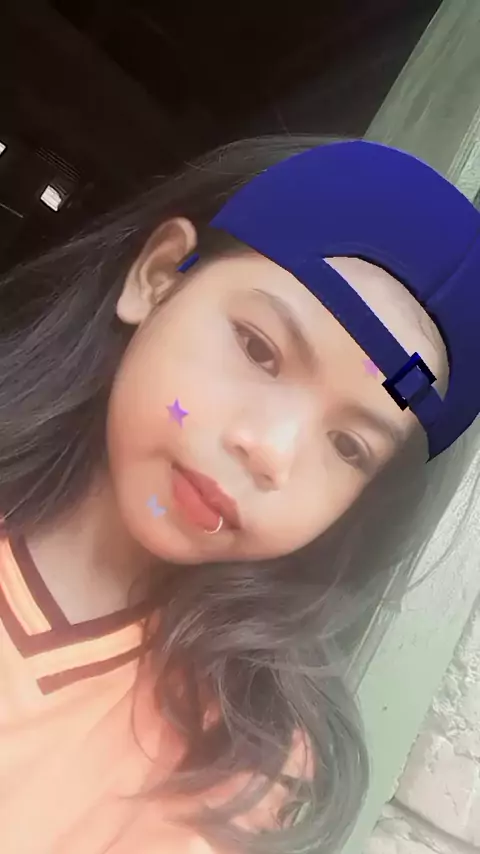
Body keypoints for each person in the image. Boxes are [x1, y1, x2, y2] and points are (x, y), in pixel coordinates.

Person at [0, 134, 479, 854]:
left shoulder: (235, 760)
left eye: (349, 446)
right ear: (159, 276)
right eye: (259, 348)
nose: (271, 451)